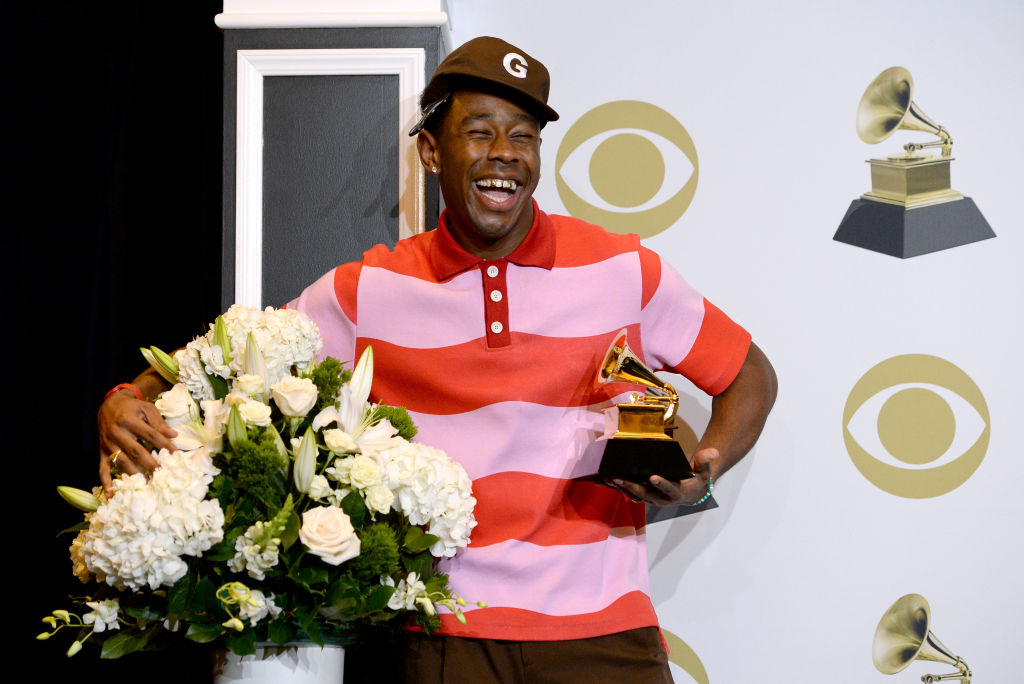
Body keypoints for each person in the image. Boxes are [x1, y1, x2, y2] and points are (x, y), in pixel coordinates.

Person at [97, 36, 777, 683]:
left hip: (601, 637)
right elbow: (231, 355)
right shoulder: (367, 291)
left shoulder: (622, 268)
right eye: (480, 132)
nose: (505, 153)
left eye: (523, 136)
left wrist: (703, 471)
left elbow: (749, 373)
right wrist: (127, 395)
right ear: (430, 151)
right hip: (438, 639)